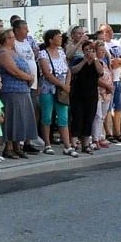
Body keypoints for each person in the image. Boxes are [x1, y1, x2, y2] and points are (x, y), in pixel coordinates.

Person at [0, 23, 39, 160]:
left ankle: (17, 146)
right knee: (12, 119)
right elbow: (13, 71)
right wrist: (29, 77)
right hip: (11, 91)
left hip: (22, 90)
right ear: (7, 39)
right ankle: (8, 148)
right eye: (12, 37)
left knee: (20, 119)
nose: (14, 39)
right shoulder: (3, 53)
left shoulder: (13, 51)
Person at [36, 28, 75, 157]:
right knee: (47, 116)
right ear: (50, 39)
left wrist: (67, 85)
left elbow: (68, 70)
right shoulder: (43, 54)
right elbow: (46, 73)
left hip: (62, 88)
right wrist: (62, 85)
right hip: (48, 88)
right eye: (58, 36)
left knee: (63, 117)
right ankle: (47, 144)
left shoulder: (61, 53)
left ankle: (67, 145)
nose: (60, 38)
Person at [69, 40, 102, 154]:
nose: (89, 52)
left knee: (89, 119)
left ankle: (86, 144)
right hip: (78, 94)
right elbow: (74, 70)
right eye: (86, 50)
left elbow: (101, 72)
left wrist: (95, 59)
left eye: (91, 50)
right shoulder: (78, 60)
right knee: (77, 118)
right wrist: (84, 60)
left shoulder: (97, 62)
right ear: (83, 51)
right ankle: (73, 143)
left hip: (91, 95)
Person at [99, 24, 121, 142]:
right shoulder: (103, 45)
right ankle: (108, 133)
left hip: (117, 80)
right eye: (106, 31)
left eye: (110, 30)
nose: (109, 33)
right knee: (107, 108)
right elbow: (107, 63)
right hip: (108, 81)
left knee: (118, 108)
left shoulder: (116, 44)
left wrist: (119, 61)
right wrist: (117, 62)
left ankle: (118, 132)